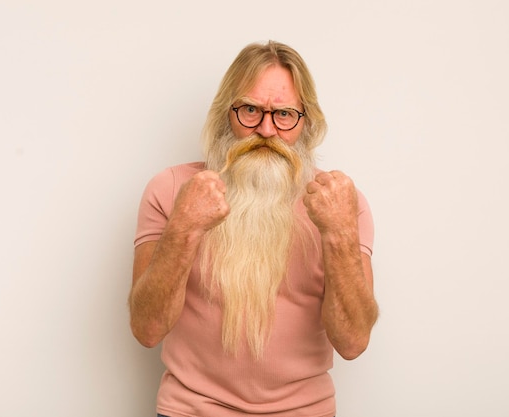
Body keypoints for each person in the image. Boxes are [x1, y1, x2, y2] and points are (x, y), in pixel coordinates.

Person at [129, 40, 379, 417]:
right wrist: (184, 227)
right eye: (250, 110)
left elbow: (354, 341)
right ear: (225, 113)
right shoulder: (170, 189)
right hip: (190, 410)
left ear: (306, 121)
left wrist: (339, 234)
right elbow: (146, 329)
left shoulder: (341, 203)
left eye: (284, 115)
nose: (266, 129)